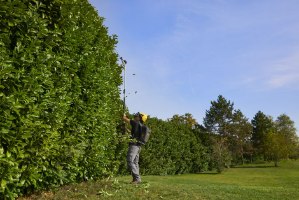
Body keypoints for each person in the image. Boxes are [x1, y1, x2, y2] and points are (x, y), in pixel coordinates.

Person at [123, 112, 148, 184]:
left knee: (130, 161)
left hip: (134, 146)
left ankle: (137, 178)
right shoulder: (141, 126)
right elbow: (134, 134)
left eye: (137, 115)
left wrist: (124, 116)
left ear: (140, 118)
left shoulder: (136, 123)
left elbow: (125, 119)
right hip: (138, 146)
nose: (135, 116)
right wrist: (126, 129)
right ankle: (135, 179)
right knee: (135, 162)